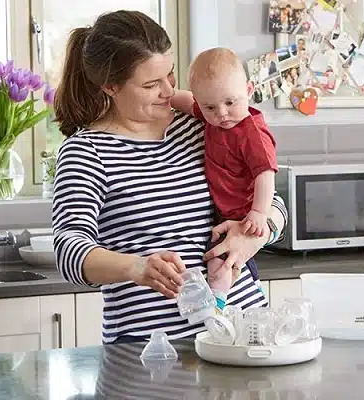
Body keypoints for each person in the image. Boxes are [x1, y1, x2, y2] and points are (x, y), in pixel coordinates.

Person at [50, 10, 287, 344]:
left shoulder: (201, 125)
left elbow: (272, 202)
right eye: (151, 84)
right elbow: (69, 251)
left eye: (171, 75)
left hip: (242, 335)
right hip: (151, 347)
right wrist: (136, 267)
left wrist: (251, 238)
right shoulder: (88, 152)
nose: (168, 91)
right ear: (110, 87)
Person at [169, 47, 278, 312]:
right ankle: (244, 281)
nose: (222, 114)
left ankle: (216, 303)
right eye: (210, 107)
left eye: (231, 103)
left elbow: (265, 174)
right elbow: (186, 102)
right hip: (224, 211)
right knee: (229, 260)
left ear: (249, 90)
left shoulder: (251, 133)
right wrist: (167, 97)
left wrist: (259, 213)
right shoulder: (211, 116)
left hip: (243, 213)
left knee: (219, 263)